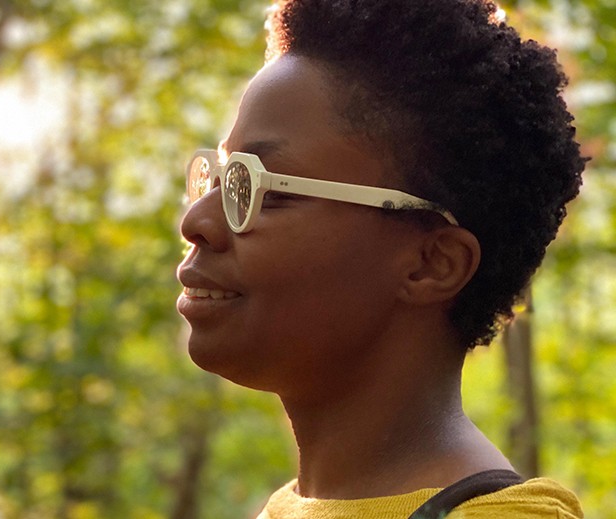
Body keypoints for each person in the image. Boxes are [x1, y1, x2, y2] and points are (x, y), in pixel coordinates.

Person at [176, 0, 586, 517]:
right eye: (220, 179)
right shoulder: (287, 508)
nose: (197, 222)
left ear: (431, 264)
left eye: (262, 190)